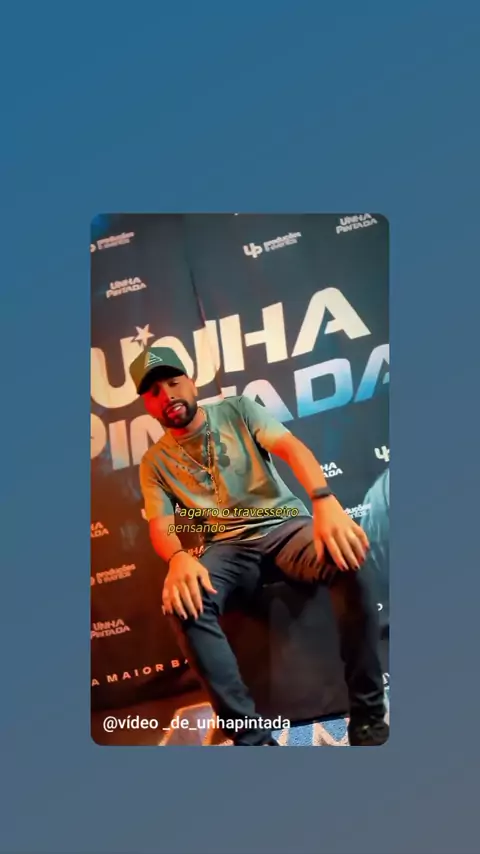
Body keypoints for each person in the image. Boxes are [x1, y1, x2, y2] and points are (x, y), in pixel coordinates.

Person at [130, 346, 388, 747]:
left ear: (191, 383)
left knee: (350, 558)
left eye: (173, 382)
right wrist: (178, 558)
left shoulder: (238, 409)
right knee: (185, 603)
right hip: (226, 548)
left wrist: (323, 500)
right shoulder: (154, 462)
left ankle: (368, 712)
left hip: (285, 527)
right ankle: (252, 741)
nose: (167, 395)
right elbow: (162, 525)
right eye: (154, 392)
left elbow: (291, 448)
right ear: (147, 405)